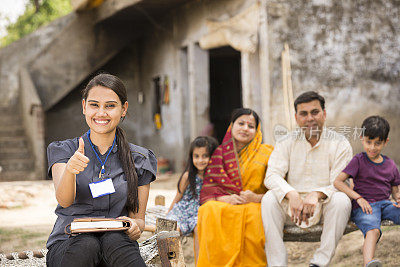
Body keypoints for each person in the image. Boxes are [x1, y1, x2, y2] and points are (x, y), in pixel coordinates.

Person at [46, 73, 157, 267]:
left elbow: (138, 220)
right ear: (84, 107)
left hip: (116, 243)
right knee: (87, 244)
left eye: (110, 106)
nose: (101, 113)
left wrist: (134, 227)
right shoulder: (64, 151)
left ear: (124, 109)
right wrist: (71, 170)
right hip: (69, 242)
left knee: (114, 239)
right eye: (94, 105)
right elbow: (64, 201)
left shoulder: (140, 159)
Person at [261, 91, 353, 267]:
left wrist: (317, 194)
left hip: (325, 207)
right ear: (296, 118)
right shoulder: (286, 141)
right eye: (304, 114)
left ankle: (319, 263)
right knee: (268, 199)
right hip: (292, 207)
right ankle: (277, 264)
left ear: (324, 114)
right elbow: (271, 175)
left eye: (315, 112)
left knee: (341, 200)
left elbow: (340, 182)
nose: (310, 118)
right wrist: (291, 193)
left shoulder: (340, 143)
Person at [197, 108, 274, 267]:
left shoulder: (268, 153)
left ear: (257, 131)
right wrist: (222, 198)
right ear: (231, 126)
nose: (245, 128)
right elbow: (210, 187)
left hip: (255, 204)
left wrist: (256, 198)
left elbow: (277, 187)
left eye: (251, 126)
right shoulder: (220, 153)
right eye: (241, 123)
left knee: (254, 216)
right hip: (227, 202)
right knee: (207, 209)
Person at [334, 116, 400, 267]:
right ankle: (369, 263)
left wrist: (398, 199)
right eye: (368, 142)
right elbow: (338, 182)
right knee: (373, 230)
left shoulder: (390, 165)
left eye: (377, 143)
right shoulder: (358, 160)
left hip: (385, 205)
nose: (372, 147)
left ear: (385, 142)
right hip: (364, 207)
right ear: (362, 138)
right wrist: (358, 198)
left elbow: (395, 190)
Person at [166, 136, 218, 264]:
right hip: (183, 210)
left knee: (198, 228)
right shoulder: (188, 176)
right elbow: (177, 197)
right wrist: (168, 213)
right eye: (197, 156)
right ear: (191, 157)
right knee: (173, 230)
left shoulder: (214, 177)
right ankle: (172, 263)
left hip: (199, 213)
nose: (200, 160)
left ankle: (199, 262)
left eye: (205, 156)